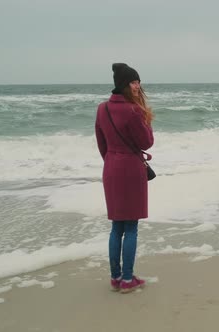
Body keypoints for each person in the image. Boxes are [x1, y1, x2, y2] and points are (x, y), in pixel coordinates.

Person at [95, 63, 154, 294]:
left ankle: (116, 277)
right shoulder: (133, 110)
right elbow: (146, 142)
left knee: (116, 227)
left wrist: (111, 160)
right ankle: (128, 280)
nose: (137, 86)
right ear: (124, 85)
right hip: (130, 169)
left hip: (110, 168)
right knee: (131, 227)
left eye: (138, 81)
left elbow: (102, 143)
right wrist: (147, 120)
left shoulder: (102, 109)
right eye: (133, 82)